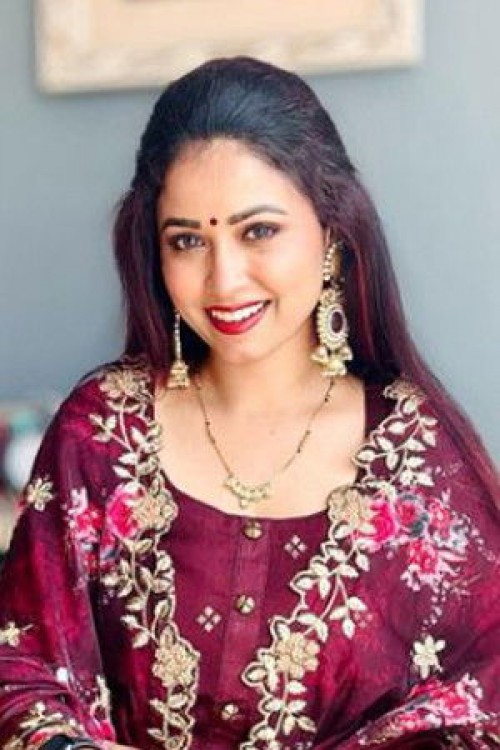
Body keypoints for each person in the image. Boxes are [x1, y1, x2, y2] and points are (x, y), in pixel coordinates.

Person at [0, 57, 498, 750]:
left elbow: (478, 708)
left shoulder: (417, 457)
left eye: (258, 230)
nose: (224, 279)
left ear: (331, 232)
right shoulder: (102, 433)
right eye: (187, 241)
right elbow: (19, 673)